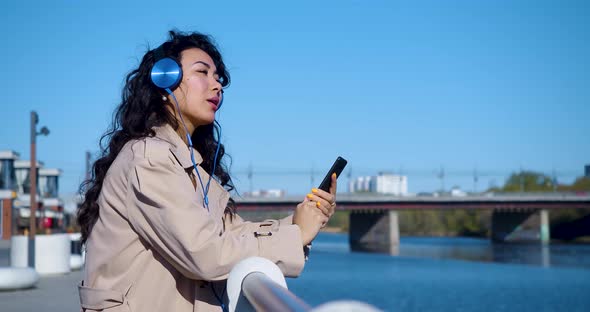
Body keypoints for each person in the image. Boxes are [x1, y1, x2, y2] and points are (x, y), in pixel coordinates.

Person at [76, 30, 338, 312]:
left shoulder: (186, 166)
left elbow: (232, 234)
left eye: (219, 78)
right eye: (203, 72)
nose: (217, 86)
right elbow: (205, 253)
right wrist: (297, 236)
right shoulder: (148, 157)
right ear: (165, 80)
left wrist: (305, 221)